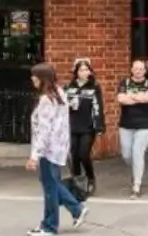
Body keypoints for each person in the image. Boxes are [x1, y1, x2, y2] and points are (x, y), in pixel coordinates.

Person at [26, 62, 88, 236]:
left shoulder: (47, 99)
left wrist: (34, 155)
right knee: (53, 184)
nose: (32, 79)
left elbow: (44, 130)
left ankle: (49, 226)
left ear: (42, 78)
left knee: (50, 188)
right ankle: (76, 210)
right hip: (59, 147)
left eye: (34, 75)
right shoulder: (59, 93)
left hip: (48, 150)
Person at [64, 58, 104, 195]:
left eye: (87, 69)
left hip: (88, 126)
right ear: (76, 72)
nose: (84, 72)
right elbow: (62, 106)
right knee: (74, 154)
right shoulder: (69, 87)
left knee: (84, 154)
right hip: (73, 126)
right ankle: (77, 182)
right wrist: (68, 105)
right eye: (81, 70)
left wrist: (99, 126)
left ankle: (91, 178)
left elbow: (98, 107)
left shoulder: (94, 87)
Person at [116, 60, 148, 198]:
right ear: (131, 69)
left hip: (145, 124)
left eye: (141, 69)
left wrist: (131, 97)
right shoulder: (124, 83)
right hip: (126, 124)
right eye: (136, 68)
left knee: (137, 152)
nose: (138, 71)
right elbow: (121, 99)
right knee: (127, 154)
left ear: (145, 71)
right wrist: (139, 97)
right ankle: (135, 172)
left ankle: (136, 185)